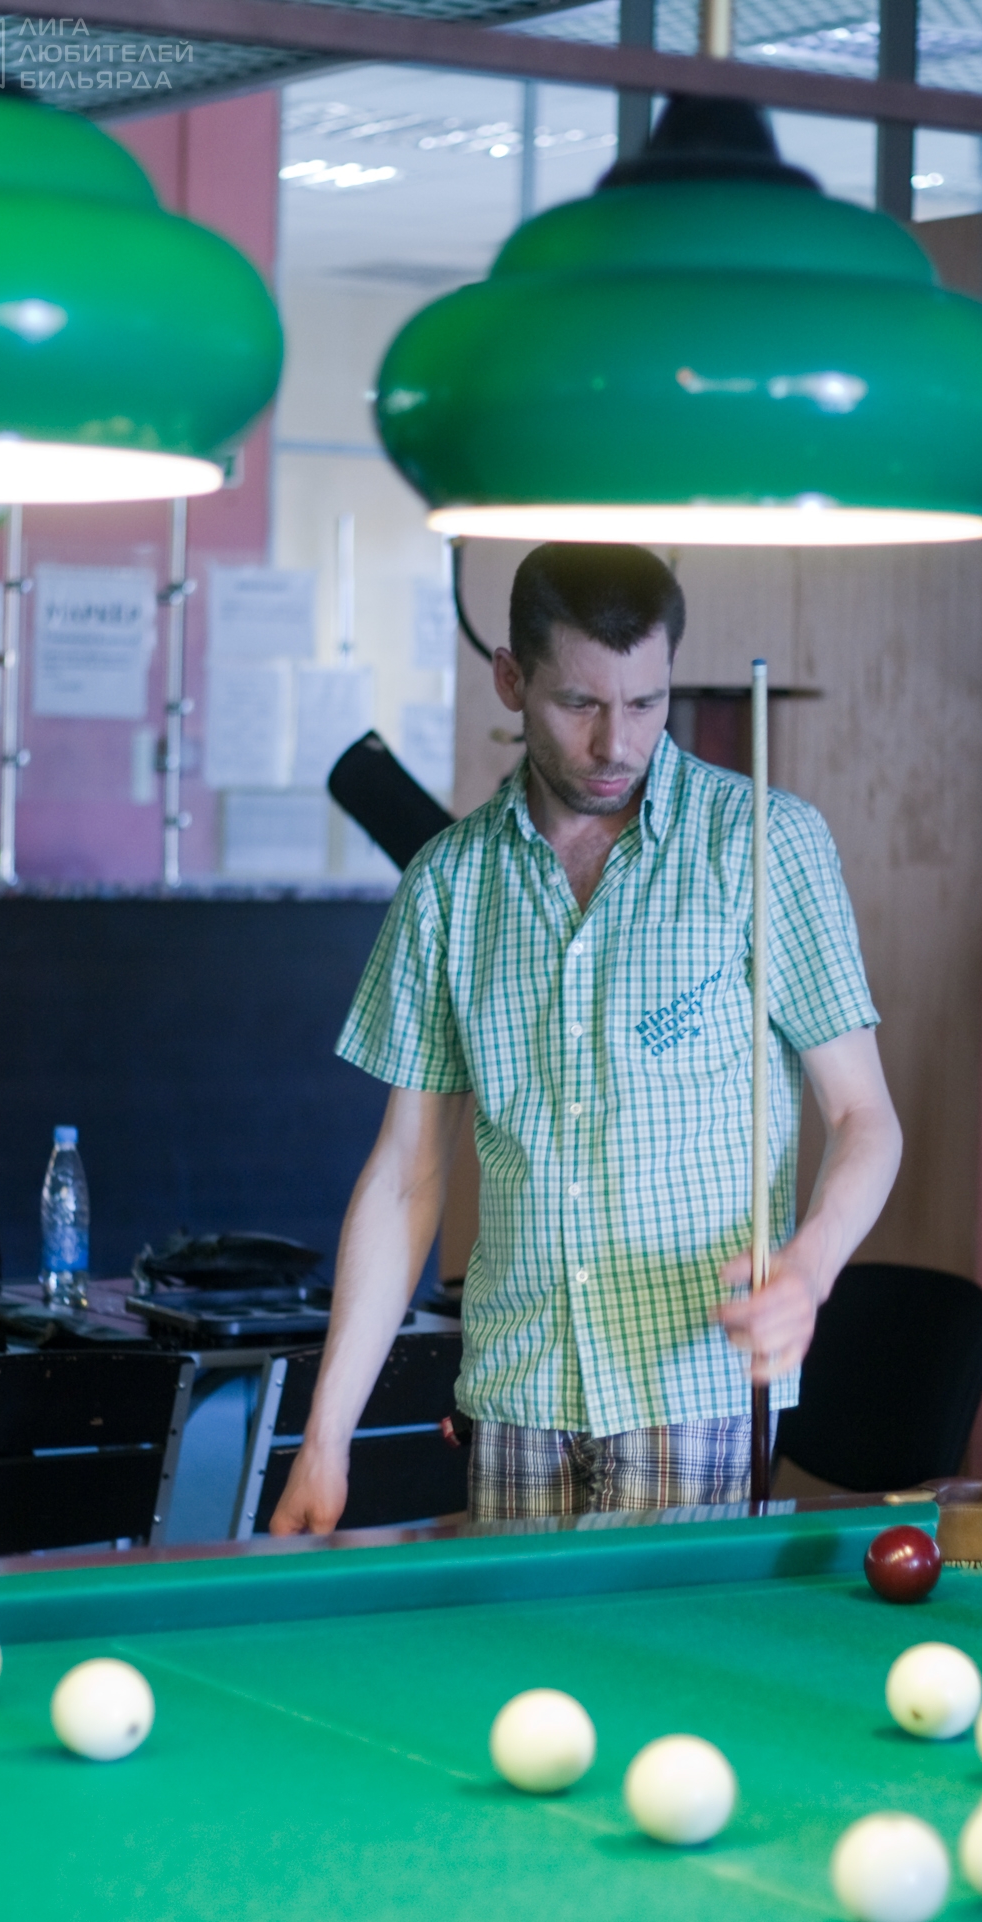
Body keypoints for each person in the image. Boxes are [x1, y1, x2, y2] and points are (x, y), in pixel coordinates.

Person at [270, 543, 901, 1532]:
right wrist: (325, 1438)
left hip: (692, 1397)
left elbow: (865, 1119)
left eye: (645, 702)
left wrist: (808, 1269)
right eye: (579, 703)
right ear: (510, 680)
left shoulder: (760, 841)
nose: (617, 741)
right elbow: (404, 1175)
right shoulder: (447, 885)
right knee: (518, 1646)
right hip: (514, 1399)